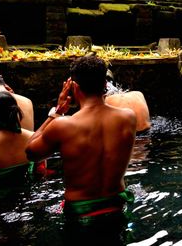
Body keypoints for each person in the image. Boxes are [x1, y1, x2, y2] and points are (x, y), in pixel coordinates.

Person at [25, 56, 136, 226]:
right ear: (105, 85)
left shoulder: (63, 125)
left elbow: (31, 153)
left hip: (81, 213)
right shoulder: (128, 117)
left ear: (74, 87)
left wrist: (56, 113)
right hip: (116, 207)